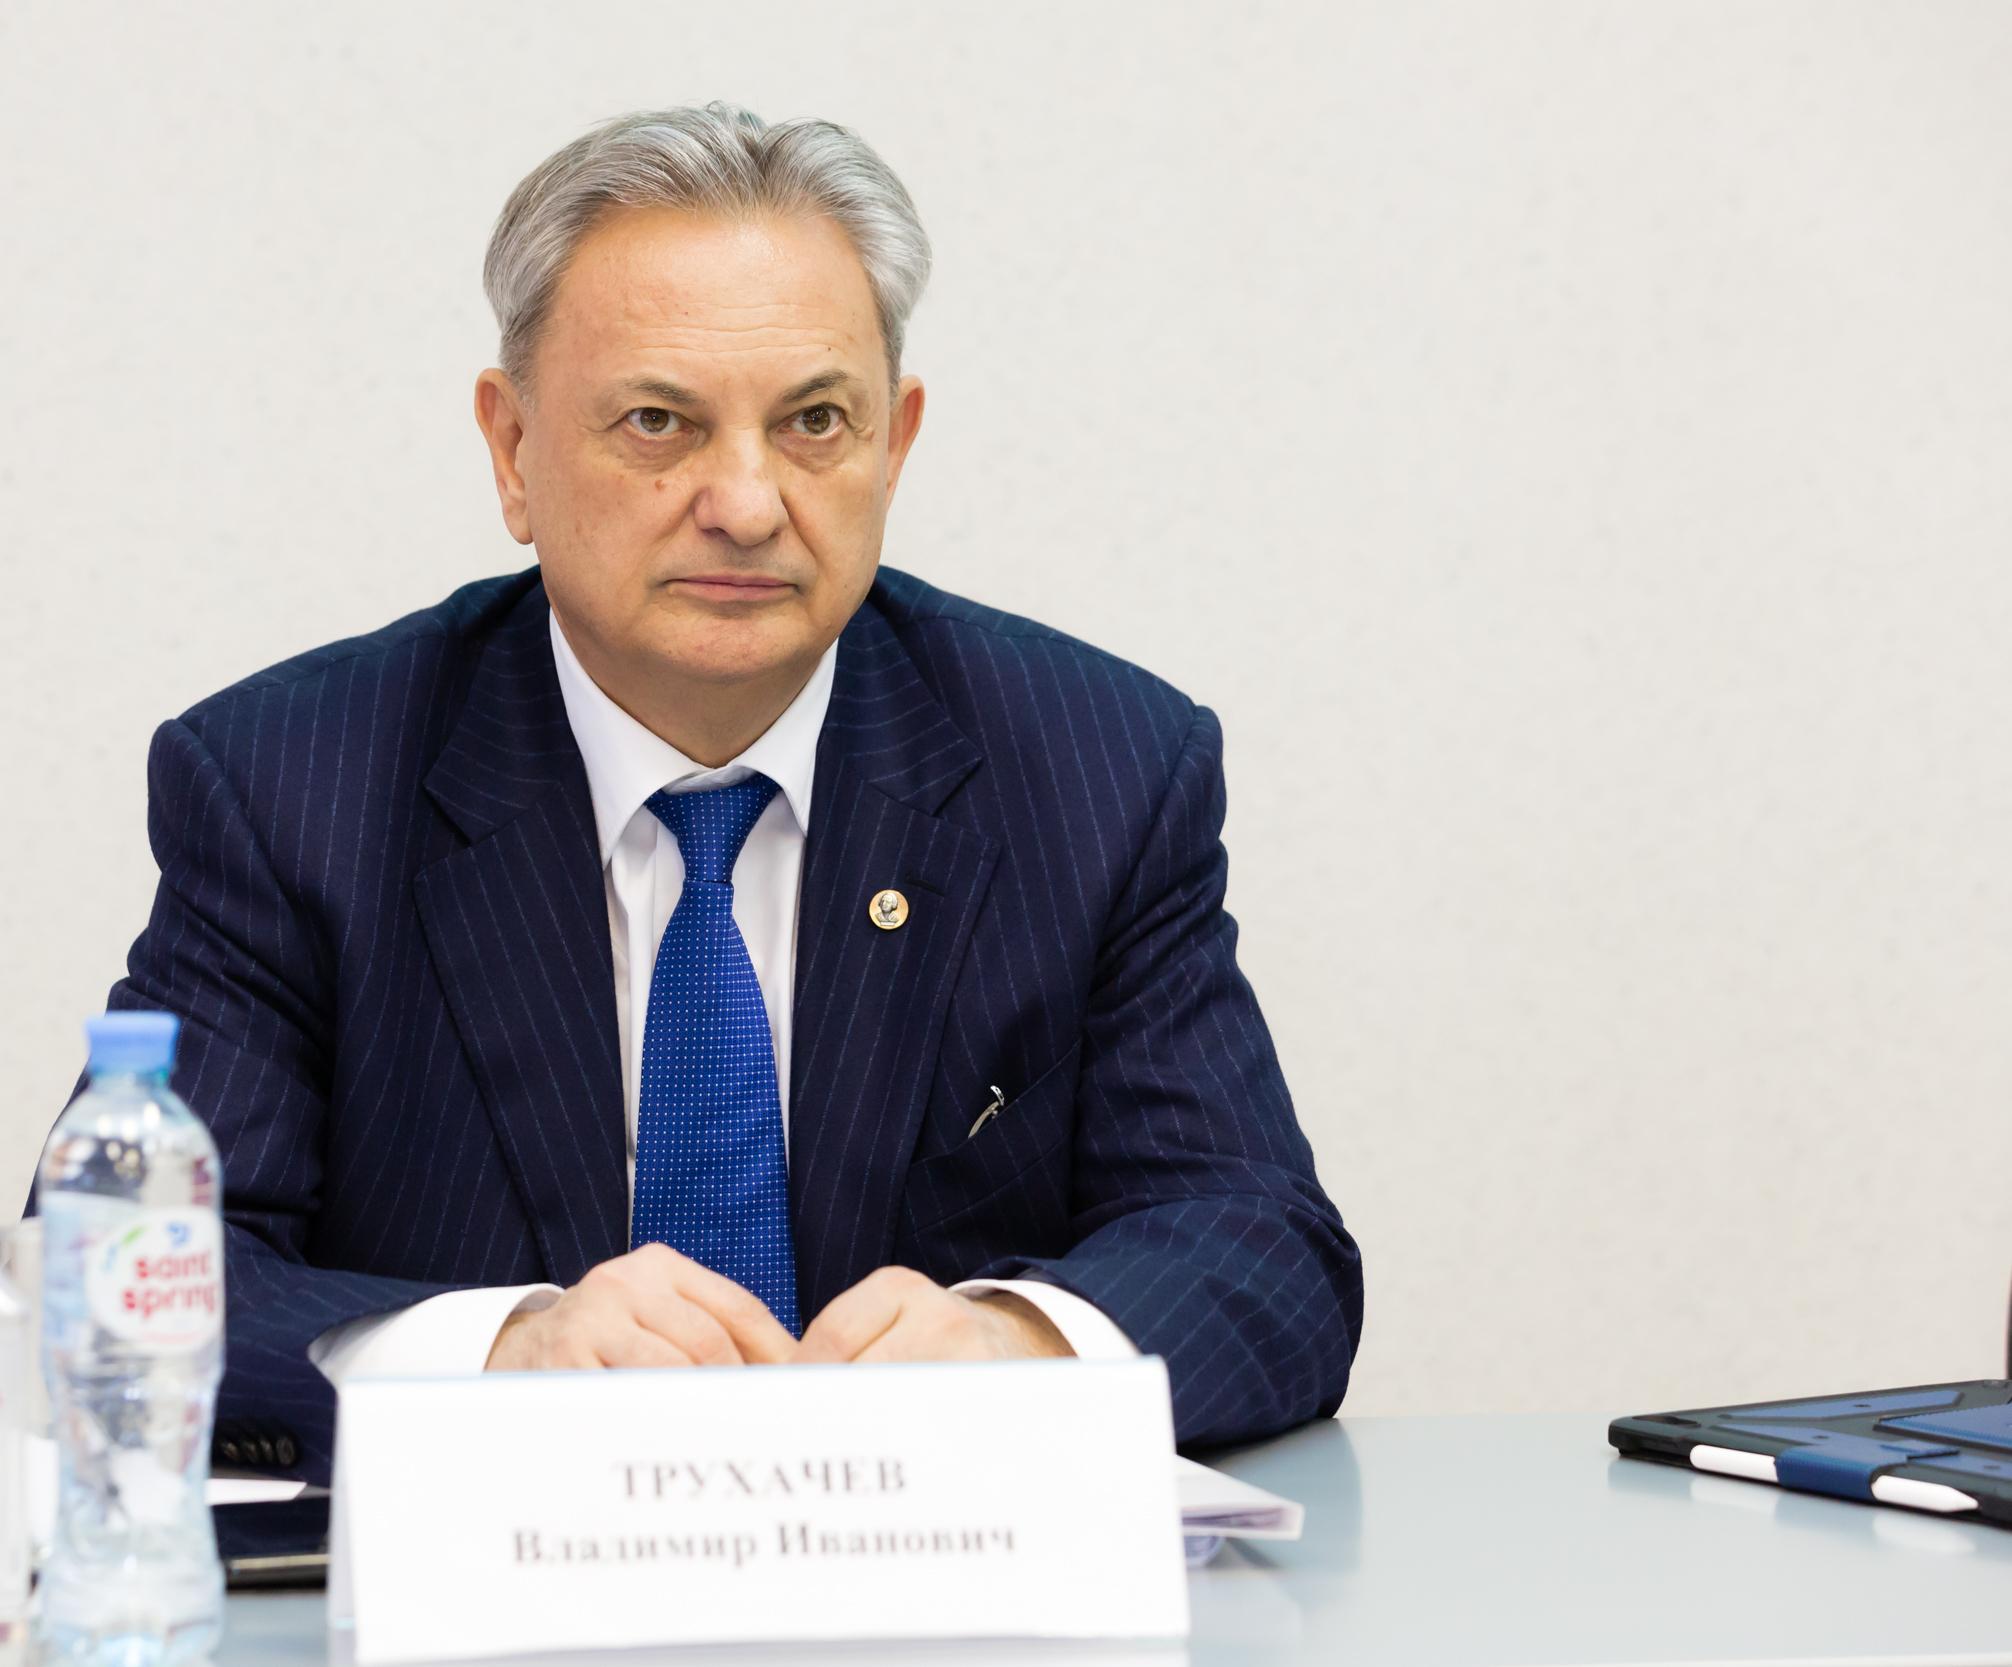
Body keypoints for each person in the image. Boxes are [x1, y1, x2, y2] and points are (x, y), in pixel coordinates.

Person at [68, 103, 1361, 1481]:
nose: (746, 503)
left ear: (894, 445)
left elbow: (1266, 1253)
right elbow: (112, 1280)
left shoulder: (1098, 768)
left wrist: (1016, 1346)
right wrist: (504, 1356)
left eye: (814, 422)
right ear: (512, 450)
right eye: (657, 423)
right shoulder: (291, 787)